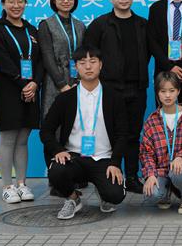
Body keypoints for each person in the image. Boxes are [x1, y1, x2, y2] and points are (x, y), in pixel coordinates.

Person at [40, 46, 127, 219]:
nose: (88, 66)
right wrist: (58, 150)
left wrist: (115, 162)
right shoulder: (65, 98)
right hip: (74, 158)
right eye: (82, 62)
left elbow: (123, 133)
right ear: (76, 67)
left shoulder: (114, 97)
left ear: (100, 65)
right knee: (56, 171)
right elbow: (46, 130)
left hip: (103, 158)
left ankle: (103, 193)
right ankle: (73, 199)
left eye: (93, 61)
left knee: (115, 195)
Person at [84, 0, 149, 194]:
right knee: (110, 135)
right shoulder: (100, 25)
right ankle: (110, 177)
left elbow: (149, 53)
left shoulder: (143, 24)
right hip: (109, 89)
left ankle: (131, 177)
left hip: (137, 89)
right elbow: (89, 56)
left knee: (133, 135)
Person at [0, 0, 43, 204]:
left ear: (25, 3)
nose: (16, 5)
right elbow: (2, 62)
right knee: (8, 138)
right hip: (8, 91)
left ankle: (21, 183)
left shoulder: (31, 30)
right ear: (3, 4)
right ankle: (7, 186)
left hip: (31, 90)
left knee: (23, 139)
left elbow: (40, 61)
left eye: (20, 1)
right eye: (11, 1)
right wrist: (23, 84)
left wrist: (35, 83)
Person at [38, 0, 86, 177]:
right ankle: (55, 176)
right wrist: (62, 84)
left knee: (75, 126)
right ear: (54, 0)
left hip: (78, 81)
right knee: (53, 126)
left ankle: (75, 174)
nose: (66, 1)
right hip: (54, 82)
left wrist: (79, 80)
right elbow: (47, 57)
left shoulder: (80, 25)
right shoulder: (46, 24)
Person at [140, 71, 182, 215]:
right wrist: (150, 175)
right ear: (157, 93)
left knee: (178, 172)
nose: (167, 95)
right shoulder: (152, 121)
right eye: (163, 91)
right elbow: (146, 153)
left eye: (172, 91)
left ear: (178, 91)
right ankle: (165, 194)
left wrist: (180, 157)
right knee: (151, 194)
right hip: (161, 170)